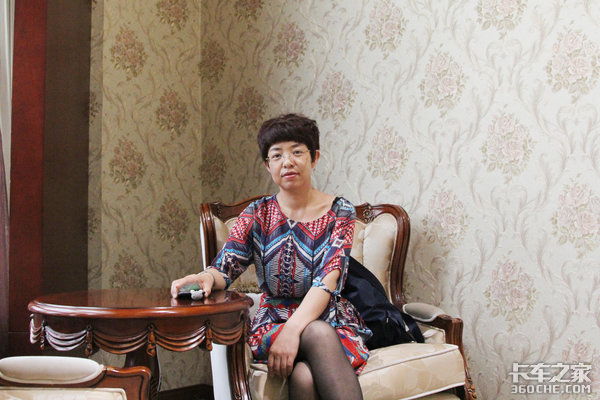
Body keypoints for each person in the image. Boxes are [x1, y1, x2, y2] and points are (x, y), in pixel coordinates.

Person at [171, 114, 370, 400]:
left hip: (330, 320)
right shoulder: (257, 214)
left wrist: (293, 331)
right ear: (268, 165)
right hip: (273, 322)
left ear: (314, 158)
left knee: (305, 373)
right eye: (277, 155)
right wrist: (203, 278)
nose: (287, 162)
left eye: (297, 152)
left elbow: (327, 282)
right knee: (316, 336)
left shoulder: (340, 212)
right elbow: (225, 267)